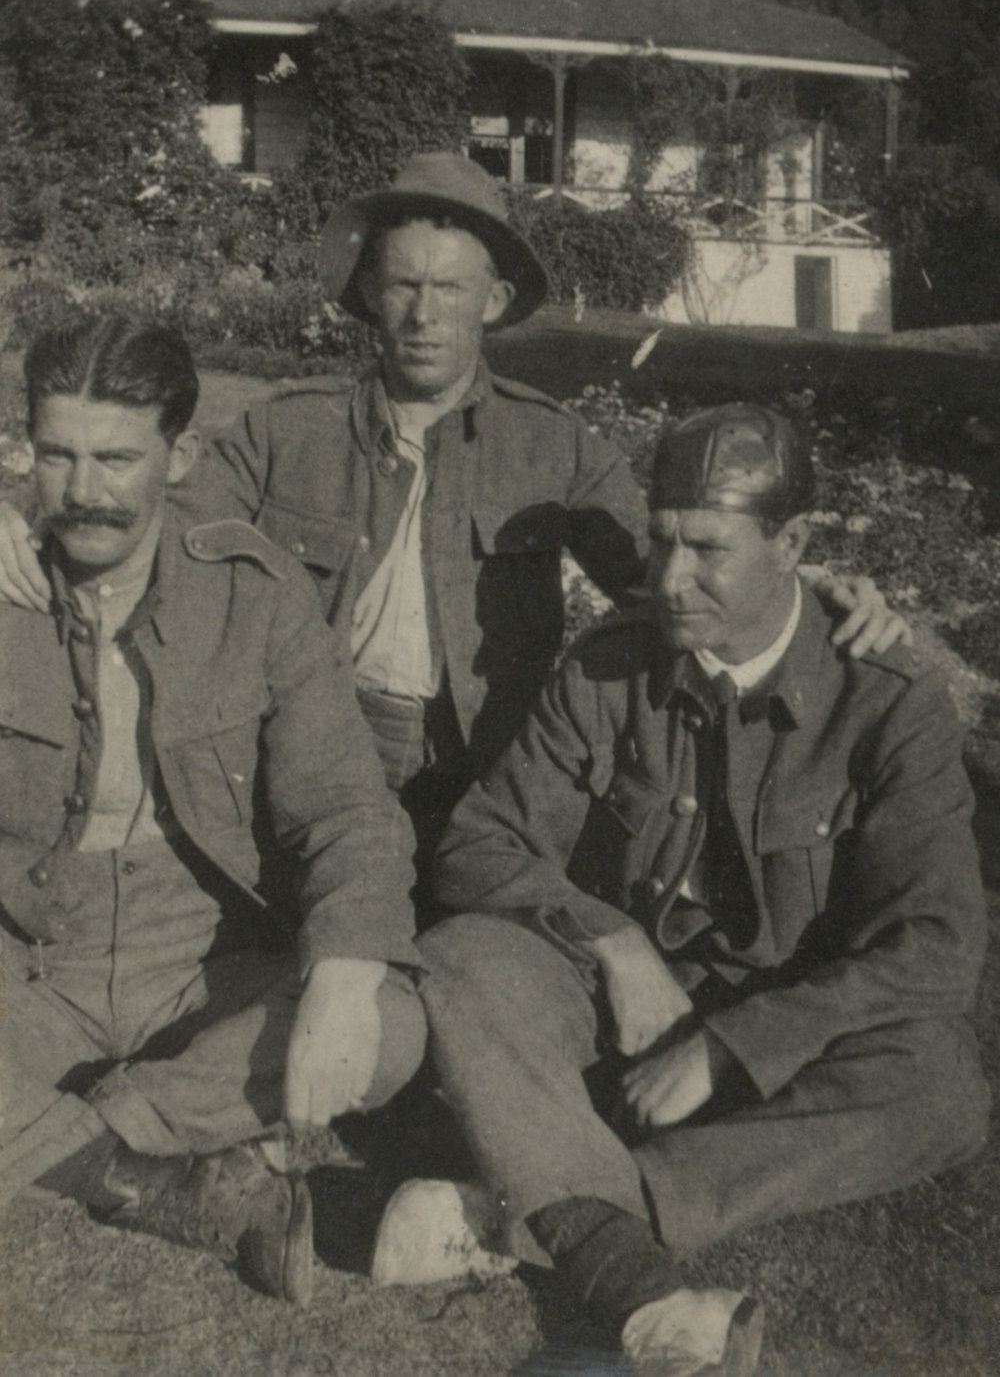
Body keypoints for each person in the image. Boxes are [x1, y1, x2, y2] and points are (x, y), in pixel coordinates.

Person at [0, 155, 905, 876]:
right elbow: (144, 520)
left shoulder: (552, 446)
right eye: (401, 287)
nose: (425, 315)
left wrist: (803, 583)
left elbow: (667, 571)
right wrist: (23, 524)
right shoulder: (287, 430)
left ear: (495, 302)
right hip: (310, 743)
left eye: (452, 290)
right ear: (367, 296)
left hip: (480, 759)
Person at [376, 404, 990, 1376]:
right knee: (465, 961)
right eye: (660, 542)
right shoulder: (607, 666)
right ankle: (632, 1281)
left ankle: (535, 1212)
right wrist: (613, 942)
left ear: (792, 544)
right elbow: (478, 842)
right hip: (614, 1004)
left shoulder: (890, 699)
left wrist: (734, 1046)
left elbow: (936, 946)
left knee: (942, 1088)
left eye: (707, 549)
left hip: (793, 1024)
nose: (669, 579)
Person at [0, 312, 426, 1307]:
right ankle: (161, 1181)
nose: (85, 491)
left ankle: (72, 1142)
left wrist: (339, 977)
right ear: (25, 448)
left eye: (116, 458)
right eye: (56, 455)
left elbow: (345, 812)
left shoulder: (255, 597)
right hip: (28, 959)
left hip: (198, 970)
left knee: (390, 1022)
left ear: (180, 454)